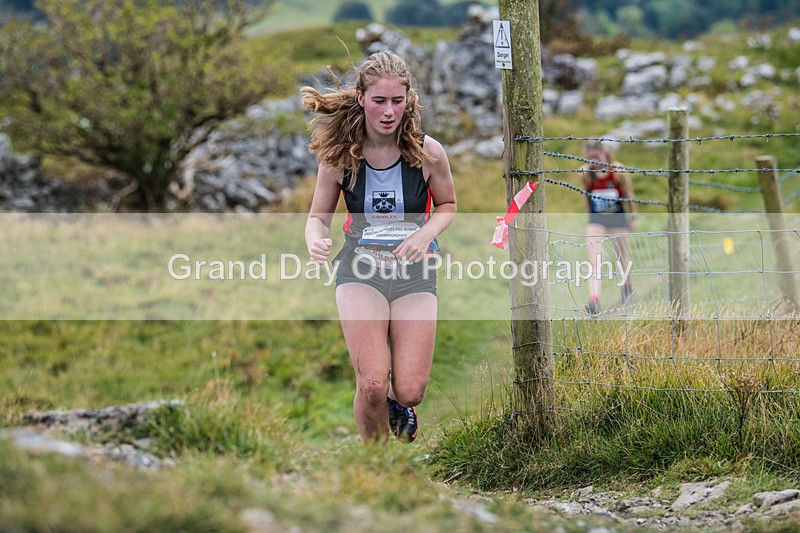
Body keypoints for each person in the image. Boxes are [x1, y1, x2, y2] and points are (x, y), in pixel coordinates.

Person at [301, 50, 457, 443]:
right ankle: (376, 466)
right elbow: (317, 218)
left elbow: (449, 206)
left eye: (397, 101)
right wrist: (316, 241)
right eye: (379, 101)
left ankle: (395, 398)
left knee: (410, 391)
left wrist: (423, 236)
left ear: (409, 101)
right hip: (360, 271)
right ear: (361, 99)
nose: (389, 112)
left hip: (413, 276)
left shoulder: (428, 153)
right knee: (371, 383)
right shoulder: (339, 157)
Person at [581, 140, 636, 315]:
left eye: (596, 155)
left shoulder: (618, 171)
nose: (594, 160)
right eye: (590, 157)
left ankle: (627, 289)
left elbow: (629, 194)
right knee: (595, 259)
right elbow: (586, 197)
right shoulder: (585, 173)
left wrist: (632, 217)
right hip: (596, 219)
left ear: (604, 152)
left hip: (618, 217)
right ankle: (594, 300)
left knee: (621, 256)